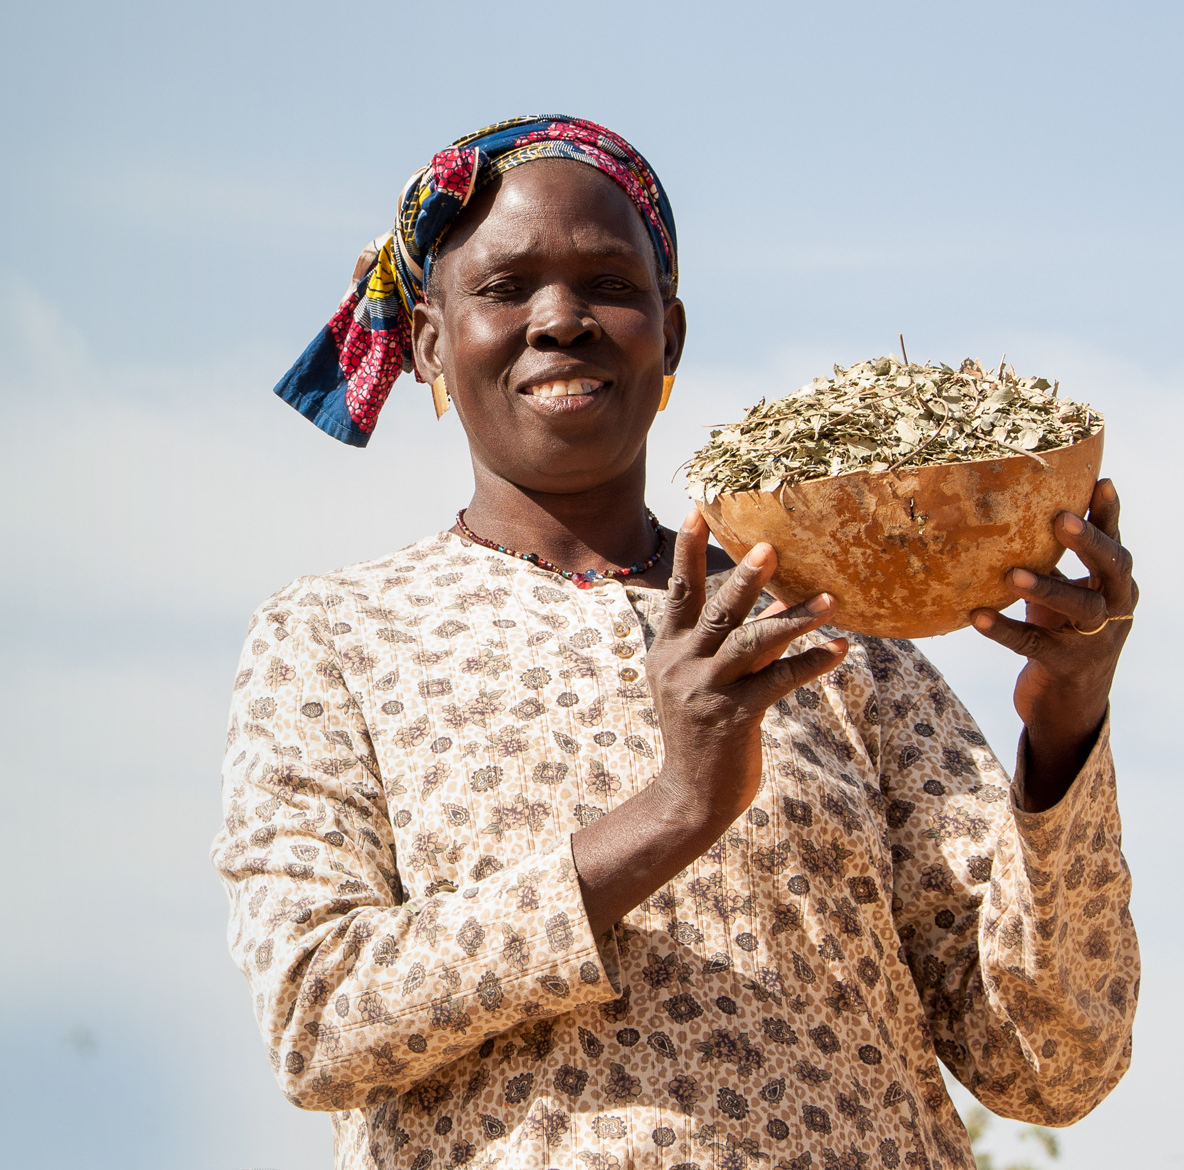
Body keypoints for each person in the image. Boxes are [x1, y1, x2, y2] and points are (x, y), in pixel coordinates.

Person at [211, 116, 1139, 1170]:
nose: (561, 320)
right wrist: (675, 811)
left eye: (607, 283)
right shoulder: (335, 639)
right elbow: (317, 1016)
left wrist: (1065, 730)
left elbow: (1053, 1064)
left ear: (671, 335)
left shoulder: (832, 636)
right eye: (506, 289)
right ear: (428, 341)